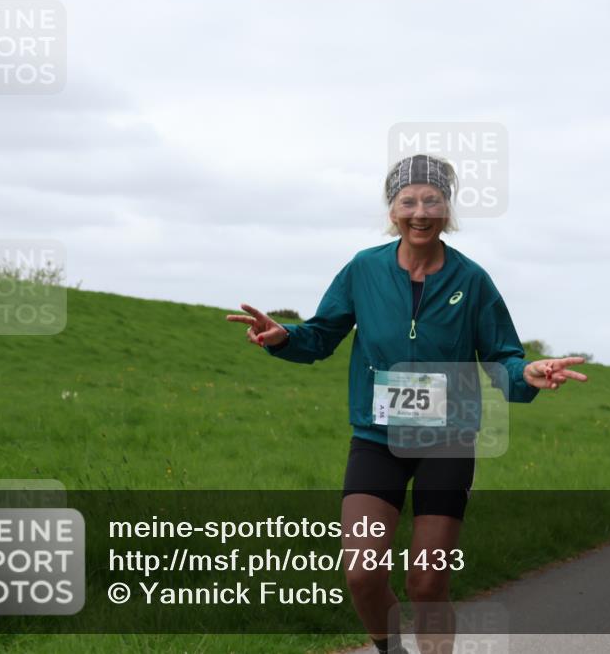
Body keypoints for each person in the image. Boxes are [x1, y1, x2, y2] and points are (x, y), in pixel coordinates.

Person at [226, 154, 587, 654]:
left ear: (447, 209)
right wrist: (284, 337)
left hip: (448, 442)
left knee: (427, 581)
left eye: (432, 200)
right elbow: (322, 334)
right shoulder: (364, 269)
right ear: (392, 209)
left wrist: (525, 373)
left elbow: (502, 355)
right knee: (362, 573)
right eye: (408, 201)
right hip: (377, 440)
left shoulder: (472, 280)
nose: (420, 212)